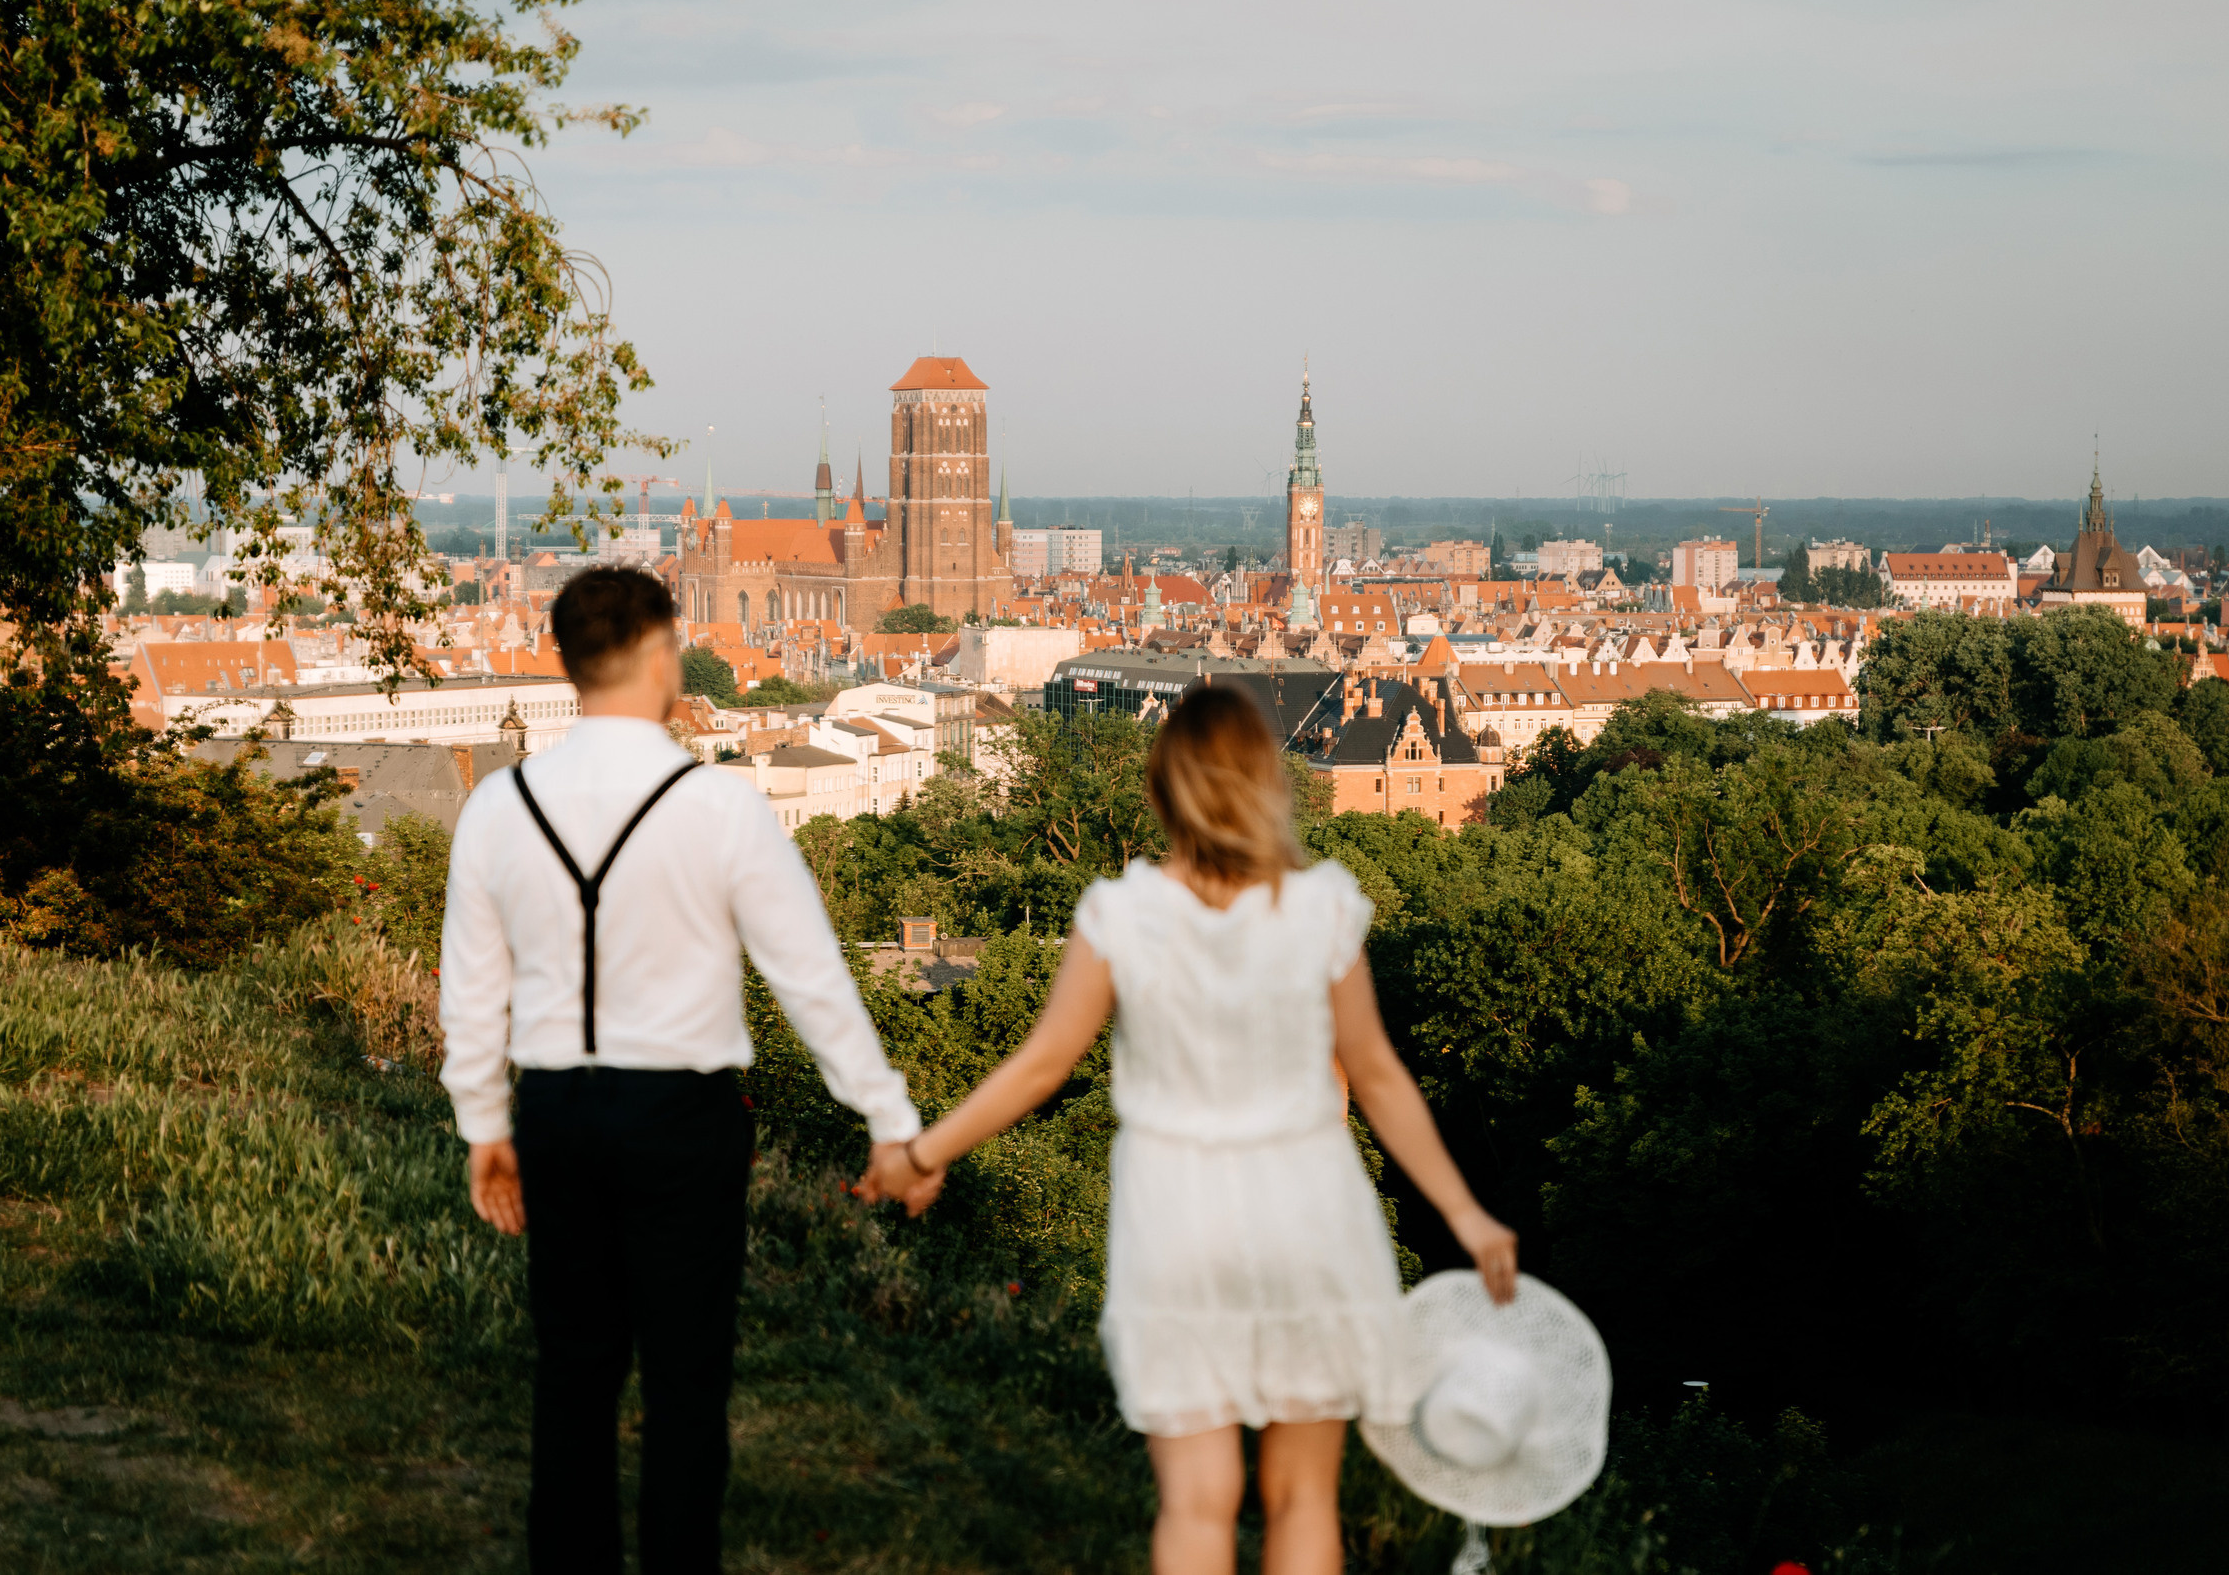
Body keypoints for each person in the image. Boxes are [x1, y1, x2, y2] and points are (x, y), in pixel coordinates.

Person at [861, 685, 1519, 1575]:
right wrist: (1465, 1213)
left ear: (1162, 788)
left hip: (1178, 1220)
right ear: (1269, 785)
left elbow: (1041, 1066)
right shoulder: (1321, 907)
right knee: (1301, 1501)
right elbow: (1379, 1076)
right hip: (1309, 1214)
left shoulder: (1122, 914)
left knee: (1197, 1503)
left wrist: (921, 1152)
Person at [438, 566, 921, 1575]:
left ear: (564, 665)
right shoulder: (721, 808)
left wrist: (485, 1126)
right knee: (686, 1380)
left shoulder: (498, 806)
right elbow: (812, 980)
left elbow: (472, 995)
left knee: (572, 1376)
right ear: (663, 655)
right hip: (685, 1114)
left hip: (559, 1109)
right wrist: (886, 1115)